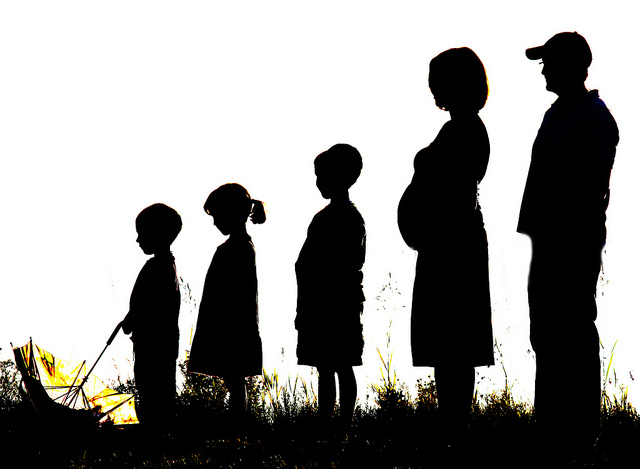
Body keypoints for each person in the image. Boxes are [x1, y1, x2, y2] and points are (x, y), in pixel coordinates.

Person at [518, 32, 619, 459]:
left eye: (550, 62)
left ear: (571, 66)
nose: (543, 70)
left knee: (572, 335)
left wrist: (574, 236)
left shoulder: (593, 117)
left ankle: (579, 434)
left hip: (572, 245)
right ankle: (552, 430)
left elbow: (595, 186)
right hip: (548, 241)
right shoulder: (558, 113)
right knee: (547, 336)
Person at [397, 47, 493, 446]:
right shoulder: (456, 128)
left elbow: (457, 192)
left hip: (453, 247)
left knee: (455, 340)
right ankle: (451, 424)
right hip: (444, 244)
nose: (434, 89)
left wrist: (436, 229)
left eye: (439, 82)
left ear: (461, 84)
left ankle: (455, 427)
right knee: (446, 342)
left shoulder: (466, 130)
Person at [295, 143, 366, 429]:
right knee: (330, 366)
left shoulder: (342, 218)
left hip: (334, 301)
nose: (318, 182)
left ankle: (340, 423)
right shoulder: (334, 217)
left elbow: (334, 263)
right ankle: (329, 423)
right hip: (325, 301)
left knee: (338, 365)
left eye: (322, 176)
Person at [188, 183, 266, 420]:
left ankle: (237, 423)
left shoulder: (237, 248)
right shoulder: (240, 246)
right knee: (234, 378)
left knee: (234, 378)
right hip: (233, 323)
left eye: (217, 216)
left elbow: (234, 291)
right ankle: (237, 422)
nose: (215, 222)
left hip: (231, 324)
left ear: (231, 213)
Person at [121, 203, 182, 430]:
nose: (138, 239)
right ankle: (159, 431)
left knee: (151, 389)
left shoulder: (158, 268)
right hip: (162, 342)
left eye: (142, 233)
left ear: (157, 234)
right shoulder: (166, 266)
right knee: (158, 390)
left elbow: (150, 304)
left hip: (153, 342)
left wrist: (132, 319)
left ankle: (155, 433)